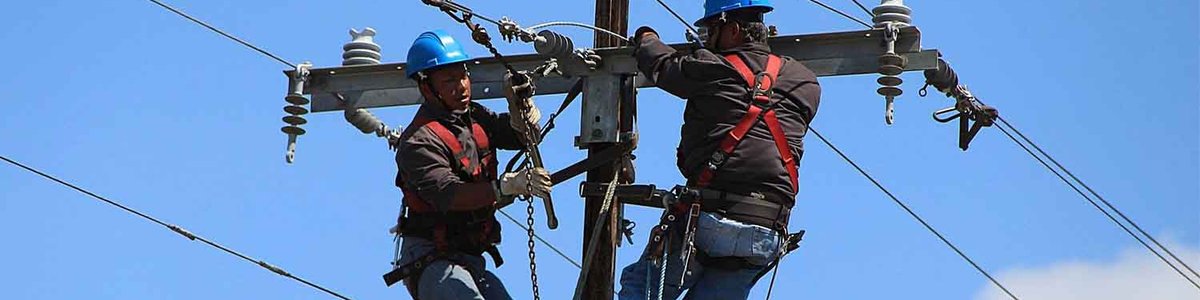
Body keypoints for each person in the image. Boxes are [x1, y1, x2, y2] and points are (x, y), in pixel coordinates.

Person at [618, 0, 821, 299]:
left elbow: (662, 66)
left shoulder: (713, 68)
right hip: (766, 229)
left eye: (713, 30)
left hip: (711, 218)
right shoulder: (805, 82)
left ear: (733, 30)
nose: (709, 39)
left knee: (641, 288)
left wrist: (646, 36)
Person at [388, 29, 549, 300]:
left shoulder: (475, 117)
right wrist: (506, 186)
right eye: (449, 80)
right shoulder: (419, 142)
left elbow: (519, 137)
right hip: (431, 258)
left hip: (470, 258)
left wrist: (520, 114)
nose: (461, 86)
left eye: (463, 75)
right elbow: (448, 194)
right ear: (426, 87)